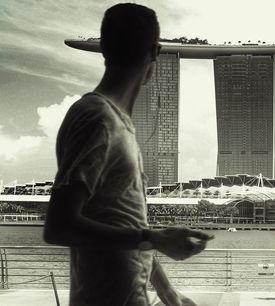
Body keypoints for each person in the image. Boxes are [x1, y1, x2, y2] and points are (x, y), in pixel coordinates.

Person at [43, 3, 213, 306]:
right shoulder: (98, 119)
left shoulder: (116, 125)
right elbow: (59, 226)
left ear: (104, 49)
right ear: (155, 51)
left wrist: (167, 292)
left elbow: (126, 224)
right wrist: (156, 238)